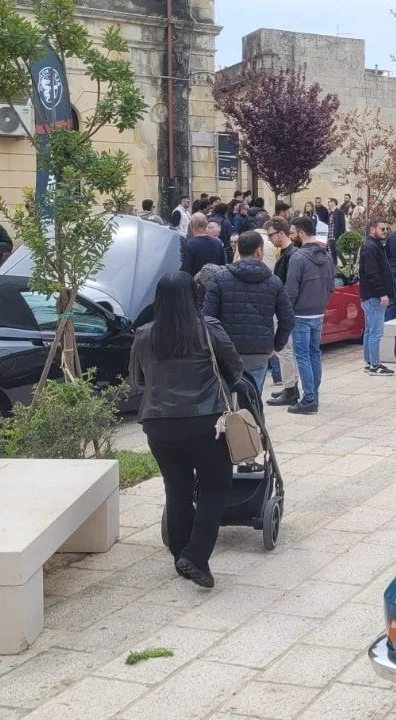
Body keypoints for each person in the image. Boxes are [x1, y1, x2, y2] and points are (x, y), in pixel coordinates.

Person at [129, 272, 242, 588]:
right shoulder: (208, 330)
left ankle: (181, 552)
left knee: (176, 487)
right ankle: (195, 556)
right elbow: (236, 368)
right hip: (204, 422)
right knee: (215, 488)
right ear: (194, 296)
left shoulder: (144, 334)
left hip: (157, 424)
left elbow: (136, 381)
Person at [204, 229, 295, 398]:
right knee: (253, 399)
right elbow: (288, 319)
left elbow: (208, 318)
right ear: (259, 251)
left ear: (238, 249)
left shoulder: (220, 278)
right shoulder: (274, 282)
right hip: (258, 352)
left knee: (226, 399)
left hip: (226, 351)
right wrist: (277, 344)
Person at [284, 217, 333, 414]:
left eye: (294, 232)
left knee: (303, 355)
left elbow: (291, 290)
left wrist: (287, 311)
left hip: (301, 314)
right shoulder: (327, 255)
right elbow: (331, 286)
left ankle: (310, 398)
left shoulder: (298, 257)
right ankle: (314, 394)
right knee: (314, 354)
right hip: (318, 311)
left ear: (302, 233)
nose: (292, 235)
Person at [265, 219, 303, 407]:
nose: (270, 239)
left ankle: (290, 388)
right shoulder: (289, 254)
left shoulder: (290, 256)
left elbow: (287, 286)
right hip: (284, 308)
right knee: (285, 349)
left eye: (271, 234)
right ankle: (290, 386)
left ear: (281, 233)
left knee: (284, 349)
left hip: (284, 308)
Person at [358, 219, 396, 376]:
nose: (385, 230)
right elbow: (372, 273)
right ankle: (374, 365)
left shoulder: (374, 246)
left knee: (370, 331)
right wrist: (382, 293)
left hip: (371, 296)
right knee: (375, 332)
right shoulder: (371, 247)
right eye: (382, 228)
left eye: (386, 228)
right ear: (372, 230)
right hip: (374, 296)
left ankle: (369, 362)